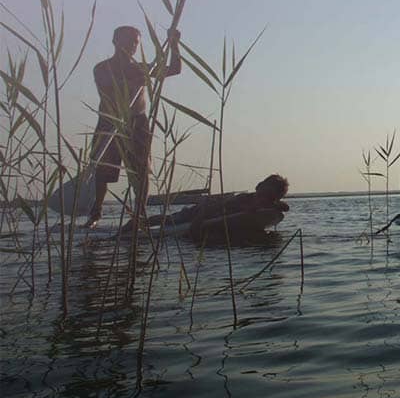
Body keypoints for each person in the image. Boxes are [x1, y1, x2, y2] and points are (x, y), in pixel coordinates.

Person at [86, 25, 182, 228]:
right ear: (115, 42)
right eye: (128, 41)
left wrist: (174, 45)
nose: (132, 46)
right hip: (110, 121)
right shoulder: (101, 68)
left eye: (135, 43)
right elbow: (108, 87)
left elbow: (174, 69)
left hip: (137, 123)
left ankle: (139, 215)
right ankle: (95, 214)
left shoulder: (141, 68)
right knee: (103, 170)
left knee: (141, 170)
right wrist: (135, 79)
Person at [154, 174, 290, 243]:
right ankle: (139, 223)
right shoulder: (243, 199)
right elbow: (217, 207)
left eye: (270, 197)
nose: (263, 200)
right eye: (263, 194)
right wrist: (198, 222)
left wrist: (276, 204)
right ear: (258, 187)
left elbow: (284, 207)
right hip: (203, 211)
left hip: (218, 218)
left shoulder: (268, 204)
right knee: (171, 219)